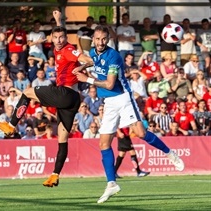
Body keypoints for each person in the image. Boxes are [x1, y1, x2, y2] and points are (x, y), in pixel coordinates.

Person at [73, 25, 184, 204]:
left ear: (108, 39)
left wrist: (87, 79)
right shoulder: (94, 52)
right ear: (93, 39)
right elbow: (93, 62)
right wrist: (83, 67)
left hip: (122, 97)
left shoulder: (114, 56)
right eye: (97, 39)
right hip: (108, 103)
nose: (100, 42)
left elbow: (109, 84)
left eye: (103, 39)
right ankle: (111, 183)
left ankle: (170, 153)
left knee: (140, 133)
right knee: (103, 143)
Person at [0, 10, 93, 188]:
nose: (60, 40)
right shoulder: (59, 47)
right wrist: (58, 19)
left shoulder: (69, 50)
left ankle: (11, 126)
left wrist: (84, 65)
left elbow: (86, 58)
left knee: (27, 92)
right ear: (52, 39)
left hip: (65, 93)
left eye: (62, 37)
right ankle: (55, 175)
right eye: (56, 38)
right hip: (73, 100)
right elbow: (60, 31)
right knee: (62, 139)